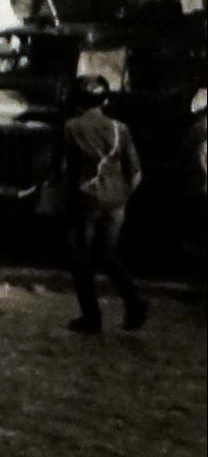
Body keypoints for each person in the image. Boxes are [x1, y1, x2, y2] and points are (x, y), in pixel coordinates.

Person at [58, 74, 147, 334]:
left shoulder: (71, 128)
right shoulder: (121, 128)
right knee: (107, 254)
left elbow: (66, 170)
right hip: (116, 200)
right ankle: (135, 301)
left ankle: (91, 317)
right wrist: (122, 195)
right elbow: (135, 172)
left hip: (85, 199)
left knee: (80, 258)